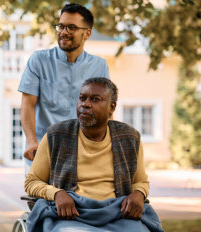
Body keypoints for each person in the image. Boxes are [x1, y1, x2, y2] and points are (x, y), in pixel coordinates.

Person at [24, 78, 163, 232]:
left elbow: (141, 181)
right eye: (82, 98)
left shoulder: (129, 138)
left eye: (95, 99)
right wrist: (57, 194)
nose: (85, 104)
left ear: (112, 107)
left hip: (118, 213)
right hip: (72, 214)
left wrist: (138, 194)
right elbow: (32, 182)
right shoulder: (56, 135)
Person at [18, 3, 109, 172]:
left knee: (83, 199)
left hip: (82, 156)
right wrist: (31, 141)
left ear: (87, 33)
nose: (64, 31)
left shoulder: (99, 66)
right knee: (41, 199)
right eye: (61, 26)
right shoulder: (39, 60)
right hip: (42, 154)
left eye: (72, 27)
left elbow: (104, 112)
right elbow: (27, 105)